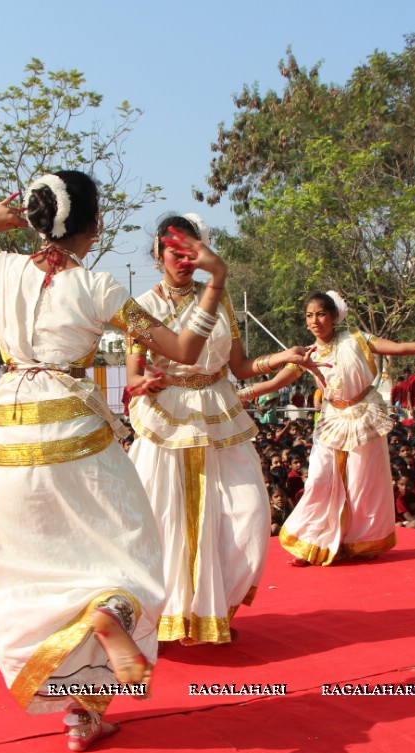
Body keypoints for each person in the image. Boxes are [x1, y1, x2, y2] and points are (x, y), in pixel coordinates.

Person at [0, 171, 229, 751]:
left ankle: (80, 715)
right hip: (75, 428)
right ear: (96, 223)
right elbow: (185, 349)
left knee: (30, 566)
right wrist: (216, 282)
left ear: (35, 221)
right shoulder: (99, 287)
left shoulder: (4, 268)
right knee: (124, 545)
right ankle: (109, 615)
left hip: (11, 434)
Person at [126, 212, 312, 645]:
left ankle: (211, 608)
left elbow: (241, 367)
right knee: (166, 521)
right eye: (175, 251)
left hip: (219, 410)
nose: (184, 260)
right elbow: (133, 376)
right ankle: (165, 618)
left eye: (192, 251)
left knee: (250, 513)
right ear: (158, 254)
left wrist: (282, 358)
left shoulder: (220, 298)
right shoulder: (141, 308)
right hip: (167, 418)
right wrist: (146, 382)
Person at [240, 291, 415, 565]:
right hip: (332, 418)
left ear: (334, 316)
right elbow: (274, 384)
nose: (315, 320)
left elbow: (398, 347)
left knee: (361, 484)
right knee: (319, 480)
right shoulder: (306, 355)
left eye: (320, 313)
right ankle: (312, 544)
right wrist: (237, 396)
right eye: (309, 315)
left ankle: (355, 543)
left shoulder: (356, 340)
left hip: (364, 416)